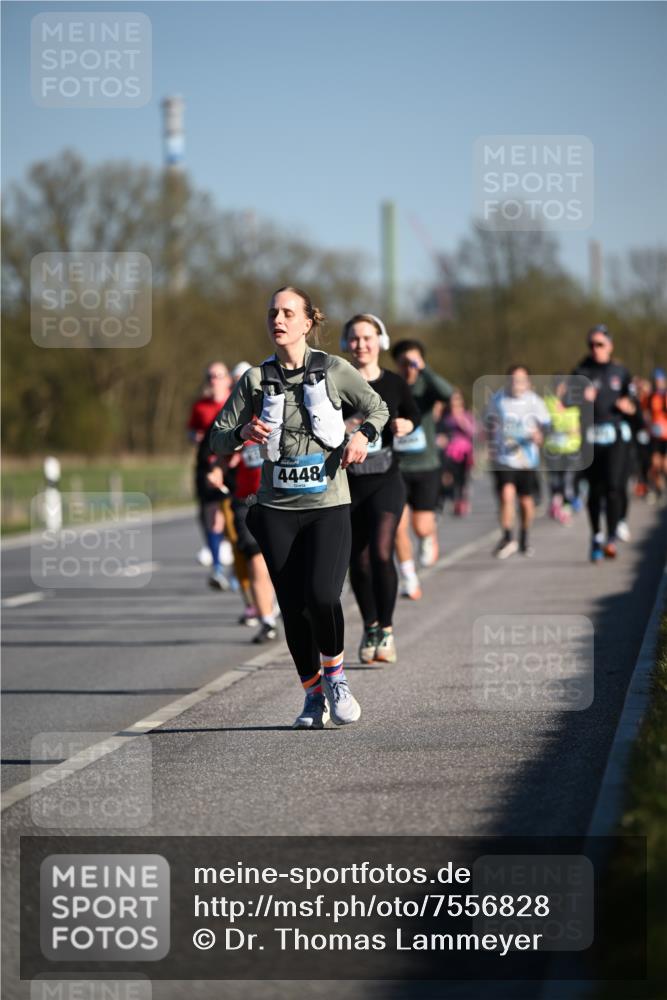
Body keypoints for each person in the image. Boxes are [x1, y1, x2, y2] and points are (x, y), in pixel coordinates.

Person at [210, 286, 389, 729]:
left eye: (289, 313)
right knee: (292, 607)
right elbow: (217, 436)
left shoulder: (334, 370)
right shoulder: (254, 379)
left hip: (328, 503)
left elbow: (378, 408)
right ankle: (312, 697)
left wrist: (363, 436)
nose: (279, 320)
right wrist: (242, 434)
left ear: (308, 322)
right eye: (273, 313)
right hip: (275, 510)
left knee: (323, 595)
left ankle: (337, 678)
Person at [340, 313, 421, 665]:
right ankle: (370, 625)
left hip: (386, 477)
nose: (361, 344)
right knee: (357, 560)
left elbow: (414, 414)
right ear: (346, 345)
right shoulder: (335, 382)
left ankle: (386, 630)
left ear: (380, 341)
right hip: (349, 481)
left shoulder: (394, 382)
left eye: (367, 337)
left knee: (381, 552)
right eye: (355, 339)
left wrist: (405, 423)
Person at [391, 339, 453, 598]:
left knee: (421, 527)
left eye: (413, 362)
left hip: (426, 466)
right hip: (397, 467)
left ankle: (430, 535)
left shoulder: (427, 389)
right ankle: (409, 578)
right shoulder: (391, 387)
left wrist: (424, 369)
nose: (409, 367)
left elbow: (448, 394)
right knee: (396, 526)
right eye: (404, 362)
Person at [571, 325, 636, 562]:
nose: (595, 349)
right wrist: (580, 399)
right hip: (591, 438)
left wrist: (629, 409)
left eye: (600, 344)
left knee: (613, 487)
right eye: (591, 344)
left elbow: (634, 406)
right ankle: (596, 535)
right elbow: (566, 402)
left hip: (616, 437)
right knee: (595, 491)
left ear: (610, 346)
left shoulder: (621, 371)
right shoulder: (581, 371)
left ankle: (611, 538)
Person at [485, 365, 551, 558]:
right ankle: (507, 538)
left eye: (521, 380)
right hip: (504, 458)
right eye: (513, 380)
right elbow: (489, 422)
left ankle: (524, 537)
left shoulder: (535, 402)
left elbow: (546, 424)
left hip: (527, 460)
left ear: (528, 382)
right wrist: (492, 444)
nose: (517, 384)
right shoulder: (498, 399)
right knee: (506, 495)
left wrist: (540, 434)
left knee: (525, 501)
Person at [187, 361, 232, 588]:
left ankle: (239, 570)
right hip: (206, 467)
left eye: (219, 375)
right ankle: (217, 568)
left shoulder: (235, 404)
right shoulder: (200, 406)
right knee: (212, 517)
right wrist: (196, 436)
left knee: (234, 519)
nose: (214, 380)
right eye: (211, 376)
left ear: (228, 380)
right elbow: (191, 431)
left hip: (232, 467)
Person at [543, 376, 582, 525]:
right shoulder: (547, 403)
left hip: (571, 448)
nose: (561, 389)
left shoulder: (575, 402)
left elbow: (581, 422)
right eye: (558, 386)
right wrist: (563, 429)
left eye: (564, 386)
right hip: (553, 448)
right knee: (555, 480)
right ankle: (556, 504)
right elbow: (545, 424)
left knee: (568, 480)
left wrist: (578, 429)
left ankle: (565, 508)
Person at [435, 390, 475, 516]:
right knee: (446, 477)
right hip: (448, 452)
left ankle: (461, 502)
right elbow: (438, 429)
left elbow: (472, 431)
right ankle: (449, 498)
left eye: (457, 399)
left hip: (464, 452)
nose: (455, 402)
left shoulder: (466, 415)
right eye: (453, 399)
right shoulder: (445, 416)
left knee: (462, 479)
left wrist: (460, 419)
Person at [646, 367, 667, 501]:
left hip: (666, 436)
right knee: (655, 465)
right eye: (656, 381)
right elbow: (644, 413)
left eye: (660, 380)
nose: (658, 383)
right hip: (654, 436)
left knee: (665, 465)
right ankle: (660, 490)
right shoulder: (650, 397)